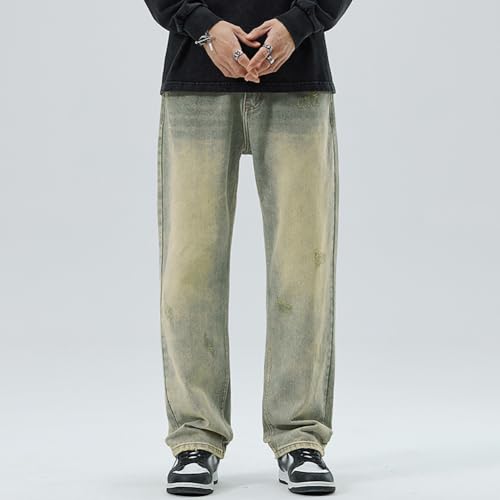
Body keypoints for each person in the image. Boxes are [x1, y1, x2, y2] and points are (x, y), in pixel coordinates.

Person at [143, 0, 352, 495]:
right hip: (196, 75)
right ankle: (195, 438)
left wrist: (298, 24)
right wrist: (203, 27)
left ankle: (300, 437)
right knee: (189, 267)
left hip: (298, 73)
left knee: (304, 263)